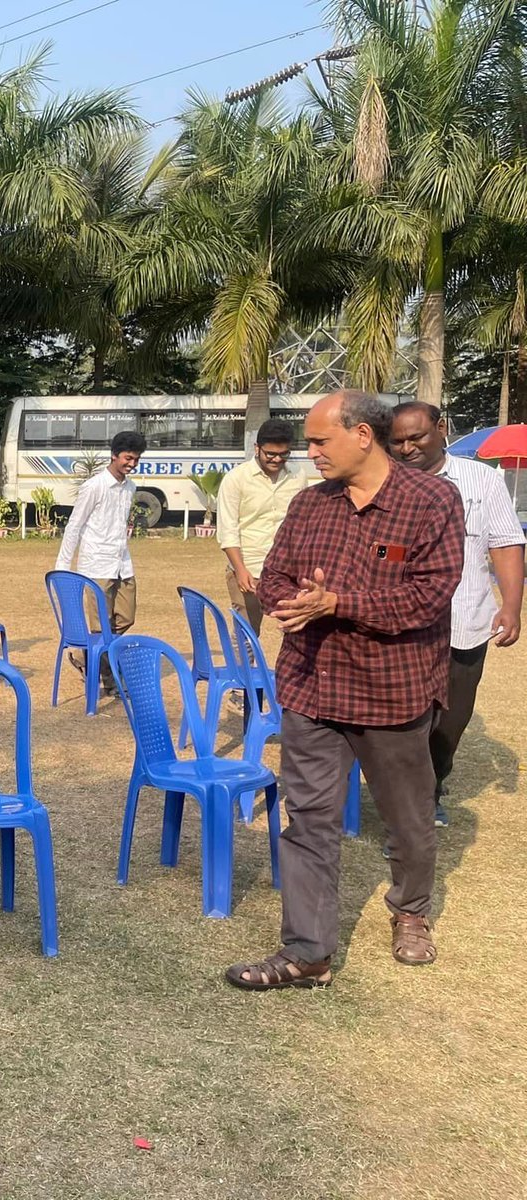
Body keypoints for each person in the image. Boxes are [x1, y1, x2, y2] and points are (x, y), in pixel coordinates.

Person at [226, 391, 464, 990]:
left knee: (407, 817)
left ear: (363, 435)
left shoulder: (432, 501)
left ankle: (410, 912)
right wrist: (295, 602)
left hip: (392, 690)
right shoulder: (311, 505)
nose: (309, 454)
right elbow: (275, 573)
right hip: (313, 686)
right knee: (306, 820)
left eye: (319, 442)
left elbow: (429, 596)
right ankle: (308, 953)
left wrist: (339, 603)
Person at [390, 401, 524, 827]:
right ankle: (413, 799)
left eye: (417, 437)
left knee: (451, 721)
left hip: (465, 624)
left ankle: (434, 781)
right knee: (403, 719)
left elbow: (504, 543)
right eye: (398, 441)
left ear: (441, 428)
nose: (407, 448)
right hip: (401, 626)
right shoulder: (385, 485)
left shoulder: (481, 480)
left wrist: (511, 605)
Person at [54, 430, 144, 692]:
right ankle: (108, 677)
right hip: (96, 566)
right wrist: (62, 568)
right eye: (128, 458)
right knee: (99, 626)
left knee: (126, 618)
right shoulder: (94, 487)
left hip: (122, 564)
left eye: (136, 459)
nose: (132, 464)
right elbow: (74, 526)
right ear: (114, 455)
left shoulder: (130, 487)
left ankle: (84, 656)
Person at [216, 417, 305, 631]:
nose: (276, 459)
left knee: (297, 633)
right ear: (257, 448)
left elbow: (302, 524)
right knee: (246, 636)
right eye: (270, 454)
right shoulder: (236, 479)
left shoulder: (298, 476)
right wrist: (240, 570)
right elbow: (227, 530)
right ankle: (243, 667)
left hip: (288, 570)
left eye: (283, 455)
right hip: (249, 568)